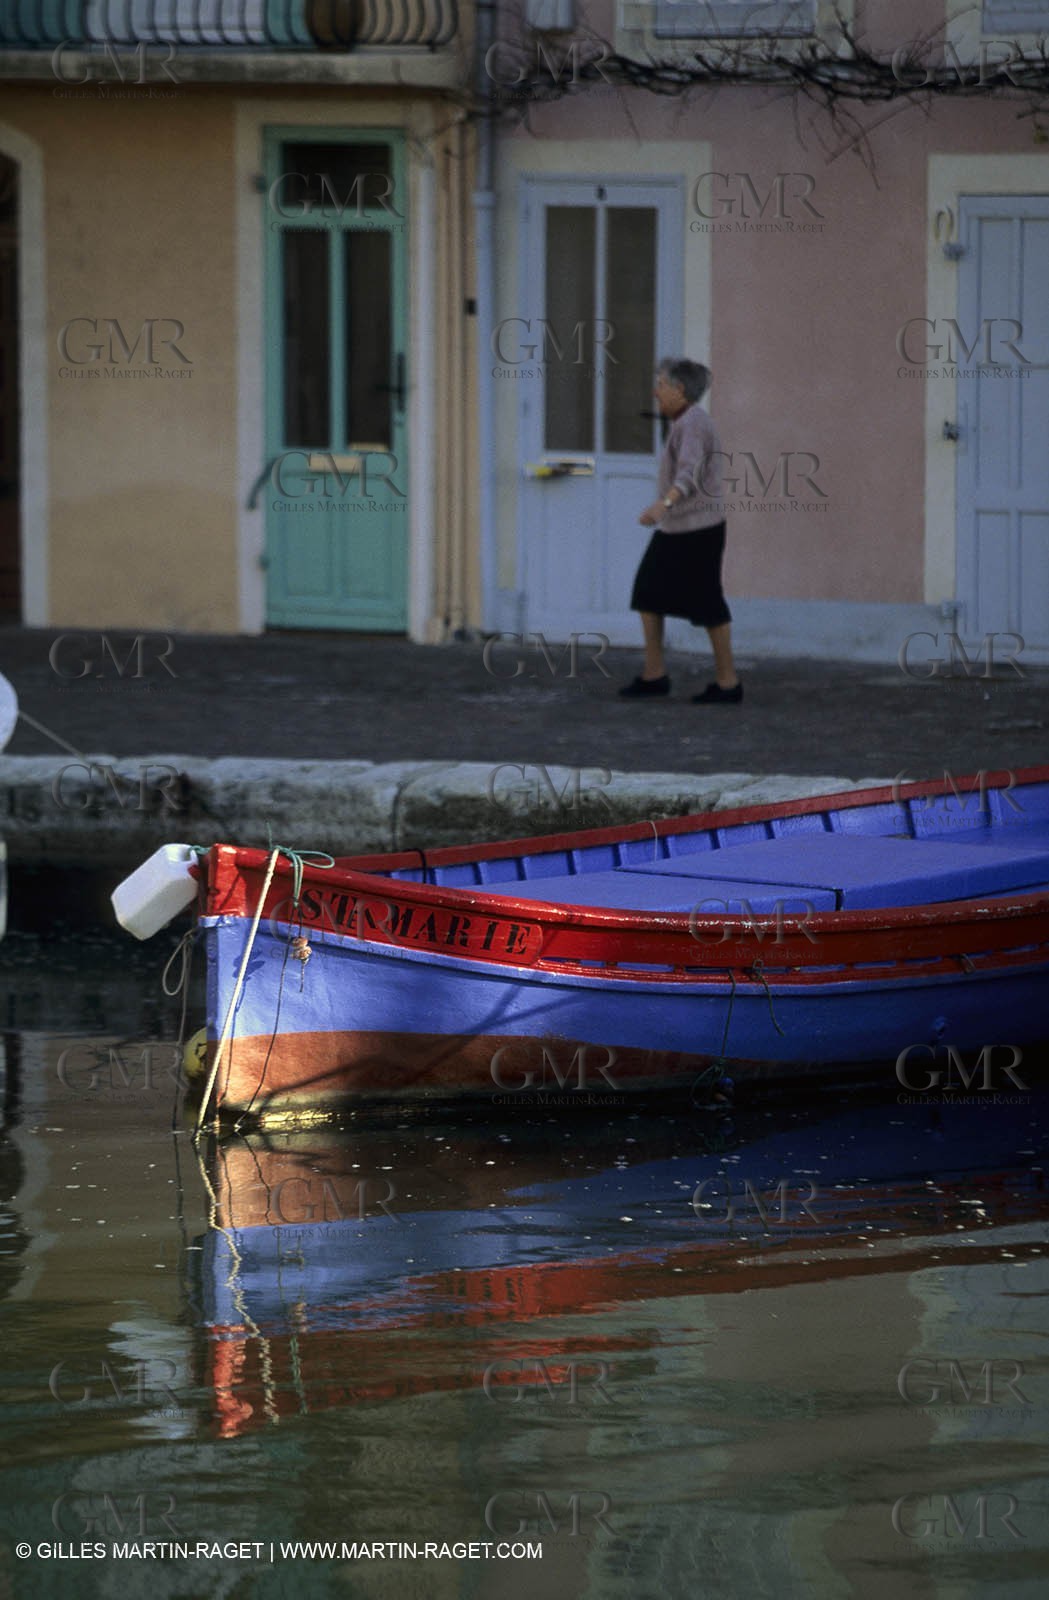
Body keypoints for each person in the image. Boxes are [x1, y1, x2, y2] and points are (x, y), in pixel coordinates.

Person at [619, 358, 742, 704]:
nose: (655, 391)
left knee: (707, 604)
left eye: (660, 384)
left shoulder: (693, 425)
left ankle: (728, 683)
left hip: (696, 529)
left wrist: (664, 504)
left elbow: (688, 473)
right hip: (680, 528)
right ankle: (654, 675)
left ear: (680, 389)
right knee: (648, 593)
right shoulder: (685, 422)